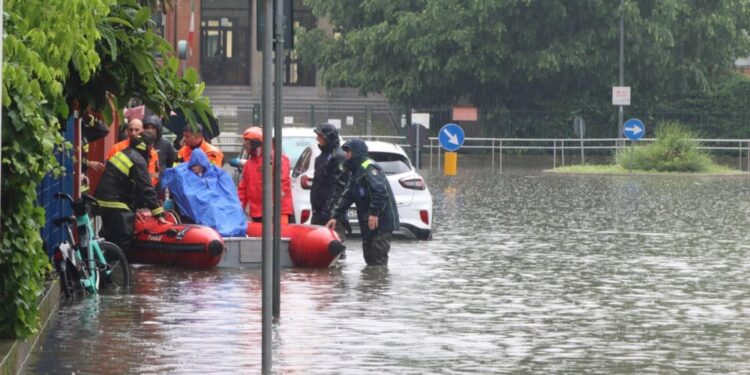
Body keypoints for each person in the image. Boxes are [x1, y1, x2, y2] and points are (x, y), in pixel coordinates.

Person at [326, 139, 399, 266]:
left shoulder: (369, 167)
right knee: (369, 257)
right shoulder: (355, 172)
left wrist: (374, 214)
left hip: (380, 222)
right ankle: (370, 284)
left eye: (348, 152)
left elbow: (379, 191)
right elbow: (347, 196)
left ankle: (378, 284)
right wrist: (335, 216)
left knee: (377, 259)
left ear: (356, 152)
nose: (346, 155)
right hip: (367, 222)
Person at [94, 133, 168, 254]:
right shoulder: (138, 160)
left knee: (110, 236)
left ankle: (107, 266)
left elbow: (130, 186)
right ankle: (120, 269)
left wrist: (135, 208)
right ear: (148, 147)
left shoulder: (124, 153)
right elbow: (146, 188)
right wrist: (159, 214)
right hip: (116, 203)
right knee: (123, 239)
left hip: (104, 200)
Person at [161, 148, 247, 237]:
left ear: (202, 164)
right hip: (207, 203)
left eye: (196, 165)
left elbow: (227, 189)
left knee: (233, 207)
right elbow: (190, 193)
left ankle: (232, 228)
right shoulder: (184, 174)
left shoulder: (216, 172)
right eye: (193, 165)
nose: (194, 167)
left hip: (218, 199)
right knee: (211, 208)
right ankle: (220, 230)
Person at [237, 126, 293, 223]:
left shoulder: (277, 159)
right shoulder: (249, 165)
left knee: (279, 236)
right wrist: (237, 209)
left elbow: (282, 182)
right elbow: (243, 190)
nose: (245, 144)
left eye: (247, 140)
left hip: (277, 212)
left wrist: (274, 204)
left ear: (255, 143)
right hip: (257, 213)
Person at [310, 123, 351, 242]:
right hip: (318, 210)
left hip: (331, 213)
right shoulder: (321, 157)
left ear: (328, 137)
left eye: (320, 136)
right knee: (318, 245)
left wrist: (329, 210)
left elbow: (338, 186)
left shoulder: (338, 156)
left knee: (334, 245)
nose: (317, 139)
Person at [107, 118, 159, 186]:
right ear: (126, 131)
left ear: (142, 131)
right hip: (119, 189)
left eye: (137, 130)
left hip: (141, 190)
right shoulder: (116, 148)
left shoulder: (151, 152)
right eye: (130, 130)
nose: (133, 133)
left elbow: (153, 177)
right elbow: (110, 172)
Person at [142, 115, 176, 188]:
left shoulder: (166, 144)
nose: (149, 130)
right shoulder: (140, 143)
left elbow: (171, 162)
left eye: (153, 128)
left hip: (159, 185)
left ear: (158, 129)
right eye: (147, 128)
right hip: (142, 182)